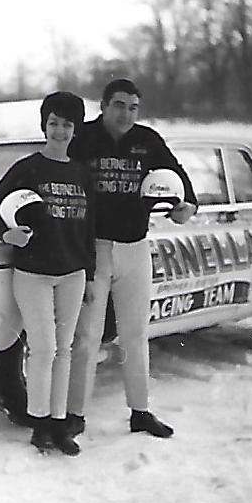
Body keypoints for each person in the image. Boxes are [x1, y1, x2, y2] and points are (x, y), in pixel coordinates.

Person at [66, 78, 197, 439]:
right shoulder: (84, 139)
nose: (126, 113)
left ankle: (140, 410)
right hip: (93, 247)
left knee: (136, 332)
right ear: (104, 106)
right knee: (87, 334)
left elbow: (180, 181)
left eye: (134, 107)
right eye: (120, 105)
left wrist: (187, 205)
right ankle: (74, 413)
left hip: (135, 246)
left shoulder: (148, 141)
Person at [0, 91, 96, 456]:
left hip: (72, 273)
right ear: (44, 126)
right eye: (53, 123)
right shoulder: (28, 168)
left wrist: (89, 274)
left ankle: (60, 424)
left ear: (76, 130)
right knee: (43, 348)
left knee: (64, 349)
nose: (59, 131)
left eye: (66, 124)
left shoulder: (80, 172)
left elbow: (88, 228)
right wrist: (6, 233)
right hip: (33, 272)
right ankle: (40, 424)